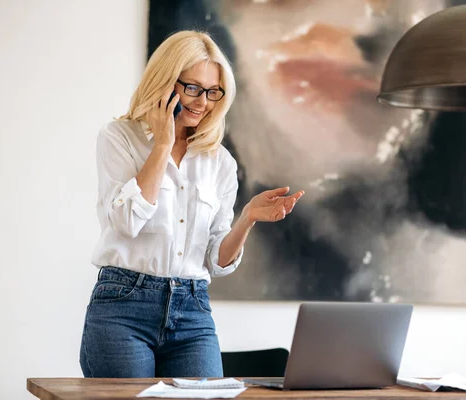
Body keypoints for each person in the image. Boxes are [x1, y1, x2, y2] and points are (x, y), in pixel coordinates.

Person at [79, 30, 305, 379]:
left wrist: (246, 219)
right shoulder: (119, 138)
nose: (203, 102)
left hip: (192, 309)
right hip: (123, 306)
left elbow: (216, 260)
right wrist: (162, 145)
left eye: (214, 92)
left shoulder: (221, 162)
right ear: (166, 82)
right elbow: (125, 222)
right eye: (193, 88)